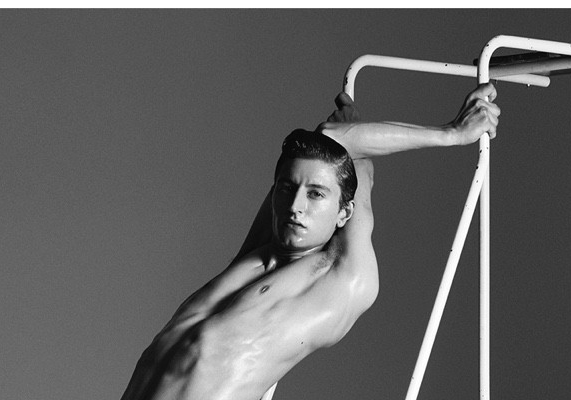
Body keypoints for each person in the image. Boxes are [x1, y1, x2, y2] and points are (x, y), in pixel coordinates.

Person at [120, 83, 500, 400]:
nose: (296, 206)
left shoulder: (341, 276)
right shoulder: (258, 251)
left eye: (316, 194)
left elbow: (334, 142)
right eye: (287, 189)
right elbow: (328, 148)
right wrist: (351, 136)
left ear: (344, 213)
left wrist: (454, 133)